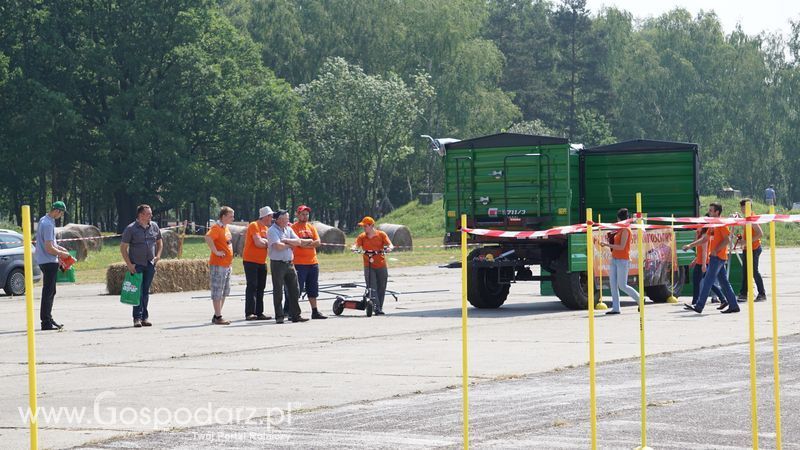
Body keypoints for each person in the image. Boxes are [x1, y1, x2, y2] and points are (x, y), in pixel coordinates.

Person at [684, 203, 739, 314]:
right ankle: (733, 305)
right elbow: (705, 239)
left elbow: (727, 239)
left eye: (711, 210)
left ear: (717, 212)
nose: (709, 212)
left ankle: (699, 306)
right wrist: (691, 245)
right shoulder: (713, 224)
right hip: (717, 257)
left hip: (717, 257)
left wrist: (716, 250)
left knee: (707, 281)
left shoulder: (721, 224)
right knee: (723, 283)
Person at [121, 204, 163, 328]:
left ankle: (145, 317)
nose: (151, 215)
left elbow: (160, 242)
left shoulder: (154, 226)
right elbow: (123, 248)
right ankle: (137, 318)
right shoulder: (131, 229)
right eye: (148, 213)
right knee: (137, 292)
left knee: (145, 291)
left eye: (150, 213)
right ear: (141, 215)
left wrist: (158, 256)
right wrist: (129, 264)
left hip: (150, 264)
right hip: (137, 265)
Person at [268, 210, 311, 324]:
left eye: (287, 218)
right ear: (278, 219)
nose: (288, 220)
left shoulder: (288, 228)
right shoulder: (272, 230)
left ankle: (295, 315)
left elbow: (298, 242)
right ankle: (279, 315)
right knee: (278, 290)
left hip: (290, 263)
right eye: (285, 218)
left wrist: (287, 241)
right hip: (278, 264)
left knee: (295, 289)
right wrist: (290, 245)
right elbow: (278, 246)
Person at [35, 201, 72, 330]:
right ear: (57, 211)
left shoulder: (44, 220)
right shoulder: (48, 224)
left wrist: (62, 249)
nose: (61, 216)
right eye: (61, 213)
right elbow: (49, 248)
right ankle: (46, 322)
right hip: (48, 261)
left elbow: (52, 244)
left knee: (50, 291)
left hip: (45, 260)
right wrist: (62, 254)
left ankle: (48, 319)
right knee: (49, 292)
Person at [599, 208, 640, 315]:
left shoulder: (626, 230)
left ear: (619, 219)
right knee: (613, 284)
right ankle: (616, 308)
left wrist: (606, 244)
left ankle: (640, 300)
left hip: (623, 259)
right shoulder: (619, 230)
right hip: (614, 259)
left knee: (623, 285)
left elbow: (621, 247)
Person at [290, 205, 326, 319]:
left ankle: (315, 311)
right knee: (297, 288)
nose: (305, 216)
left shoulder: (311, 227)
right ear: (297, 214)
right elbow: (298, 243)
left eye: (307, 214)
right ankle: (294, 312)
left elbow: (318, 242)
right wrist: (308, 244)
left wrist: (306, 244)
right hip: (299, 263)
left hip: (313, 262)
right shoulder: (293, 227)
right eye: (302, 214)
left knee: (313, 288)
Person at [353, 216, 394, 315]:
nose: (364, 228)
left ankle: (379, 306)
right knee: (372, 287)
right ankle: (377, 308)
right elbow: (356, 245)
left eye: (365, 226)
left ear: (372, 226)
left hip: (381, 264)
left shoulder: (381, 235)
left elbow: (390, 245)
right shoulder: (362, 236)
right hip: (368, 265)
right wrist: (354, 248)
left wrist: (389, 248)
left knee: (382, 286)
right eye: (363, 226)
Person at [242, 206, 274, 321]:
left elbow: (265, 242)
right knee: (252, 286)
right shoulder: (254, 225)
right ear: (265, 216)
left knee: (261, 287)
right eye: (270, 216)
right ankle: (249, 312)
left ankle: (259, 312)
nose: (272, 218)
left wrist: (266, 242)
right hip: (250, 260)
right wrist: (267, 243)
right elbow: (258, 243)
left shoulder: (266, 228)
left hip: (262, 261)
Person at [205, 206, 235, 325]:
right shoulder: (216, 227)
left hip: (227, 264)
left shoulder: (226, 228)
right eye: (230, 216)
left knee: (224, 291)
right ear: (223, 217)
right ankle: (218, 316)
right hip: (219, 264)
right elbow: (208, 237)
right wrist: (216, 251)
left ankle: (217, 314)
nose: (233, 218)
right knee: (218, 290)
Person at [683, 224, 725, 308]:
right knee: (707, 283)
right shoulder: (700, 235)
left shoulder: (704, 236)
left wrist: (703, 265)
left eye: (699, 225)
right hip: (700, 261)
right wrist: (695, 260)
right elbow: (699, 251)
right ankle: (723, 299)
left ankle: (695, 302)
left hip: (703, 262)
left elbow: (705, 251)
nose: (697, 226)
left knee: (699, 282)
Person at [737, 198, 766, 302]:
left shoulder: (752, 218)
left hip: (754, 248)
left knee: (754, 271)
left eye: (743, 207)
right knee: (745, 272)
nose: (742, 209)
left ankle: (762, 294)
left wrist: (746, 241)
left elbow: (760, 234)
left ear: (748, 207)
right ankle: (743, 294)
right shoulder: (747, 218)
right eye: (741, 207)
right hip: (747, 248)